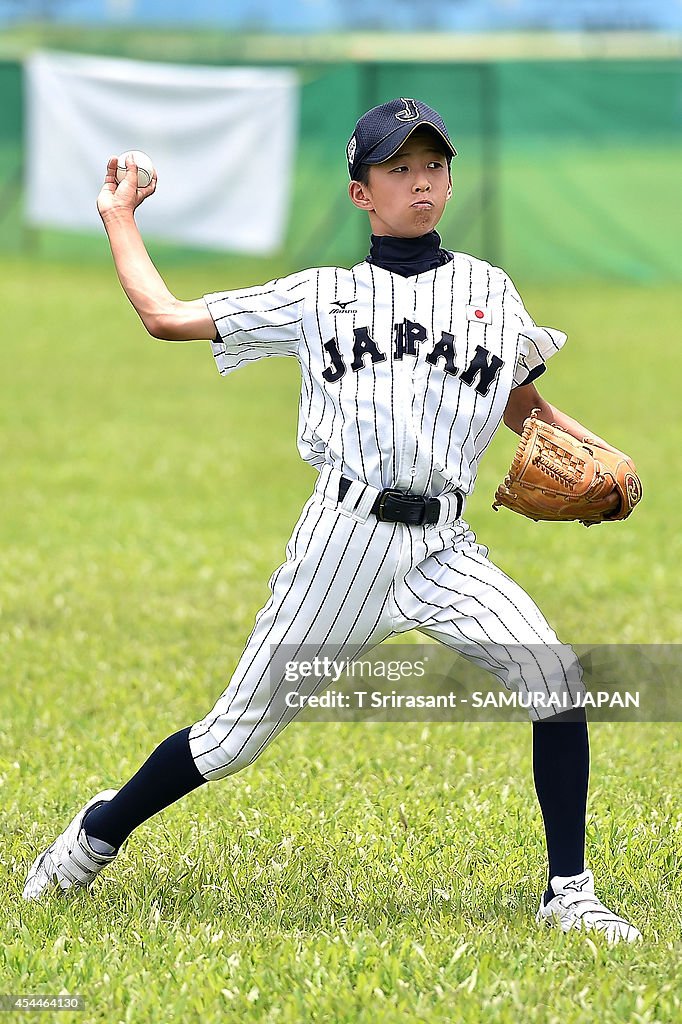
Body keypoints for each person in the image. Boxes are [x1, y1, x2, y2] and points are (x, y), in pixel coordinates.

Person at [23, 98, 641, 943]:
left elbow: (518, 400)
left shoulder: (488, 289)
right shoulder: (318, 296)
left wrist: (600, 452)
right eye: (399, 171)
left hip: (444, 547)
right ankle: (99, 832)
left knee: (558, 682)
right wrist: (118, 217)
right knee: (231, 740)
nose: (420, 184)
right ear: (362, 195)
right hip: (340, 547)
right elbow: (164, 318)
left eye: (433, 167)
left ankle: (568, 892)